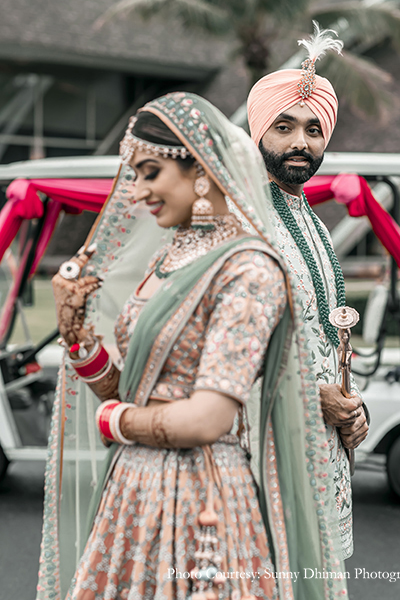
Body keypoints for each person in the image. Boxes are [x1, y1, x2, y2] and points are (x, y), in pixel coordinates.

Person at [36, 92, 349, 600]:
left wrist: (113, 422)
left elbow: (207, 419)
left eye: (150, 172)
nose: (135, 192)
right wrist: (79, 340)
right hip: (132, 489)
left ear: (200, 170)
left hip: (201, 497)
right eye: (134, 175)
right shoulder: (171, 255)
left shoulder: (248, 268)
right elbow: (137, 389)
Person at [247, 24, 369, 560]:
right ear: (257, 131)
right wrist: (309, 397)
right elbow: (212, 355)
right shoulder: (242, 220)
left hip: (323, 458)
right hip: (263, 457)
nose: (301, 141)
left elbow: (324, 336)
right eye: (285, 126)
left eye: (315, 129)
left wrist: (350, 402)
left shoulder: (312, 219)